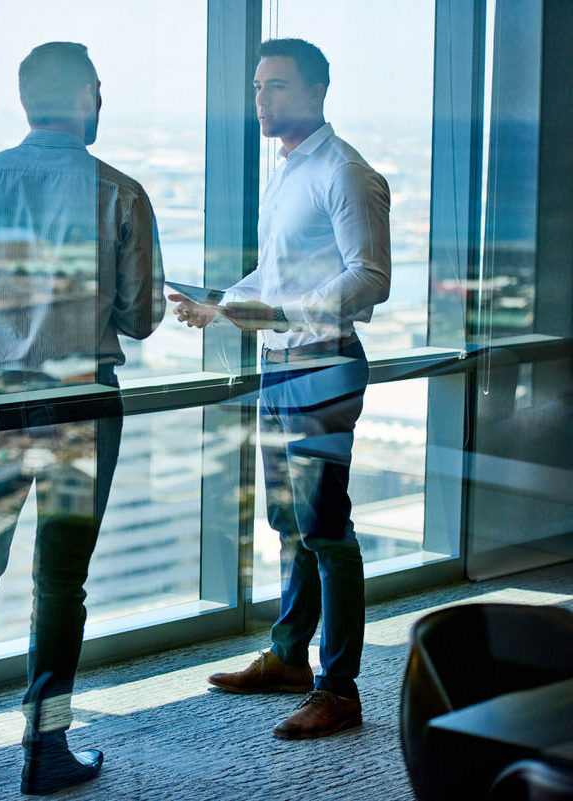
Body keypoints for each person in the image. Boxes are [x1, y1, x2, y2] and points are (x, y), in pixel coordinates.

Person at [0, 42, 164, 793]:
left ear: (25, 101)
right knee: (61, 583)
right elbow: (143, 315)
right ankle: (43, 751)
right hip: (81, 401)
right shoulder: (119, 191)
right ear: (90, 95)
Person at [171, 37, 390, 739]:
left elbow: (370, 278)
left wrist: (271, 312)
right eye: (258, 87)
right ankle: (290, 657)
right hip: (281, 366)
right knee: (293, 527)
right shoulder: (288, 172)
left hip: (322, 366)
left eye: (277, 87)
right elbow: (275, 278)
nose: (261, 100)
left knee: (327, 530)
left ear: (317, 91)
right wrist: (222, 307)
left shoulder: (346, 173)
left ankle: (340, 689)